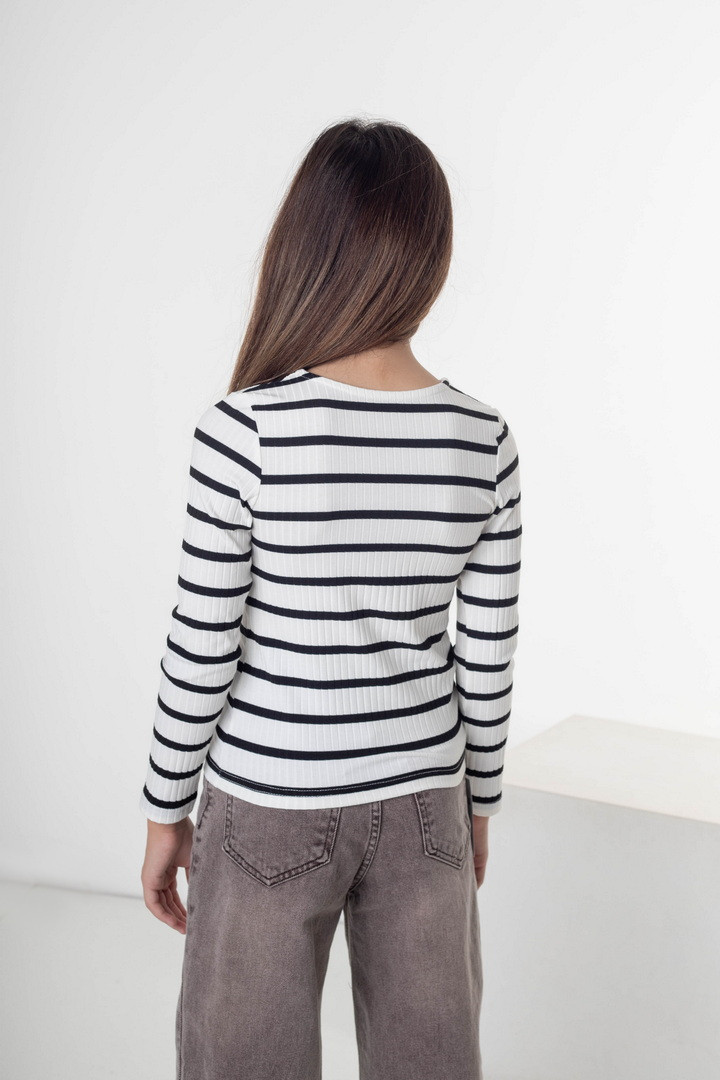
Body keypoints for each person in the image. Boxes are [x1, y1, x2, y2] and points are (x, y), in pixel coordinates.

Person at [139, 117, 521, 1080]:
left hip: (270, 797)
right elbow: (486, 658)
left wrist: (164, 809)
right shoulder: (484, 440)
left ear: (303, 245)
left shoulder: (245, 431)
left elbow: (202, 644)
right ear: (429, 254)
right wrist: (478, 802)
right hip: (427, 794)